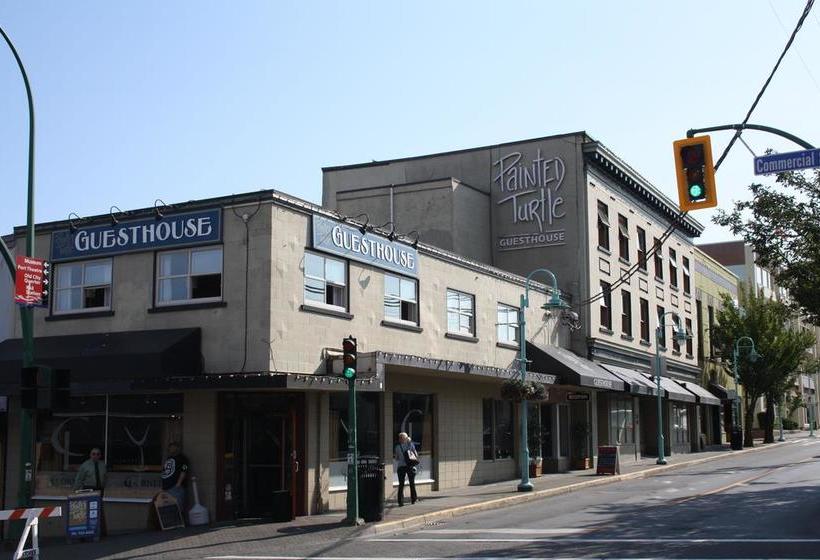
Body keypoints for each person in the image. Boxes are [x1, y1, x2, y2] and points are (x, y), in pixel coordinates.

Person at [161, 441, 189, 509]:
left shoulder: (183, 459)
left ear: (177, 448)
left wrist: (178, 483)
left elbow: (184, 470)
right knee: (167, 508)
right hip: (166, 488)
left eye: (173, 447)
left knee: (176, 508)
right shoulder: (169, 458)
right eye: (170, 447)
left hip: (175, 487)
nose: (171, 449)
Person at [394, 432, 418, 506]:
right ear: (406, 438)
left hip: (401, 467)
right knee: (412, 483)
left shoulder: (397, 447)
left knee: (401, 484)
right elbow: (416, 455)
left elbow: (396, 458)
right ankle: (413, 499)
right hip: (409, 466)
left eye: (400, 438)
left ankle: (400, 502)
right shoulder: (410, 445)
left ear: (400, 439)